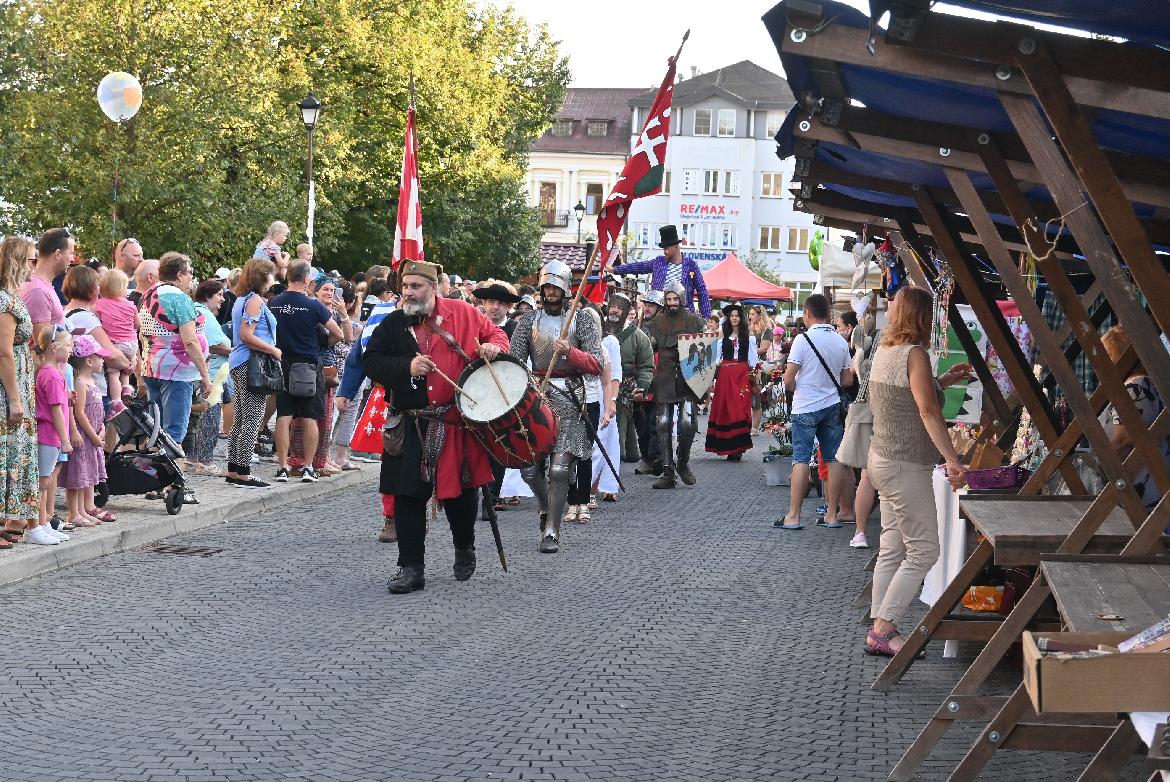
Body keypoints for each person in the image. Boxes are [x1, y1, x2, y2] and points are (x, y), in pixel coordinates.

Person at [361, 260, 508, 592]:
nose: (409, 293)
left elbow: (497, 333)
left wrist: (494, 346)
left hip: (455, 423)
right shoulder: (394, 324)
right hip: (411, 423)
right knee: (408, 498)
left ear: (434, 287)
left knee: (460, 496)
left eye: (416, 286)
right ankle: (411, 568)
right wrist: (406, 367)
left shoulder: (464, 313)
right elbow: (370, 360)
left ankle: (464, 547)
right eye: (405, 287)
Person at [866, 286, 967, 657]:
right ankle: (884, 628)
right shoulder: (915, 354)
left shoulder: (886, 349)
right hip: (905, 465)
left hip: (883, 459)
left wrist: (945, 381)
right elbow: (927, 412)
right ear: (924, 317)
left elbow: (907, 398)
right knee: (924, 550)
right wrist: (953, 459)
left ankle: (879, 621)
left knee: (892, 546)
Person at [508, 260, 603, 553]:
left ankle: (552, 529)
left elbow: (596, 364)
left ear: (564, 289)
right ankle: (546, 508)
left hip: (570, 397)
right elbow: (513, 361)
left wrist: (571, 353)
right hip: (536, 397)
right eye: (546, 287)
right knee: (528, 470)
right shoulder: (528, 322)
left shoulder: (582, 320)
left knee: (561, 469)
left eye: (555, 288)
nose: (550, 293)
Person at [773, 293, 853, 530]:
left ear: (807, 313)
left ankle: (794, 516)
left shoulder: (802, 340)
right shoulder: (840, 341)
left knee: (800, 460)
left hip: (805, 407)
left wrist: (798, 387)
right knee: (833, 459)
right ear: (828, 314)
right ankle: (831, 515)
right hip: (831, 407)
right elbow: (847, 380)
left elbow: (788, 377)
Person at [336, 274, 398, 540]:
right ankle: (392, 518)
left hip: (433, 403)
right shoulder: (382, 316)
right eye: (405, 284)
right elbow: (360, 354)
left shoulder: (442, 314)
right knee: (393, 462)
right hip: (391, 398)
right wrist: (347, 390)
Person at [269, 260, 341, 483]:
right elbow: (338, 333)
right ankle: (308, 468)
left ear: (287, 276)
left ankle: (283, 467)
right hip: (309, 365)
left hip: (281, 362)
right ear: (307, 279)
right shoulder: (313, 305)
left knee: (284, 415)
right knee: (310, 416)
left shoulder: (273, 302)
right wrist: (321, 345)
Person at [139, 252, 212, 449]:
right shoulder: (178, 298)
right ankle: (172, 478)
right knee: (173, 434)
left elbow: (142, 334)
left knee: (157, 430)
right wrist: (205, 375)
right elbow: (190, 341)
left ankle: (155, 477)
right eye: (190, 273)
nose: (191, 278)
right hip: (177, 373)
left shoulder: (148, 293)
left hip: (152, 367)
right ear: (179, 275)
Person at [644, 282, 706, 489]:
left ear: (681, 299)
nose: (671, 303)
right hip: (664, 375)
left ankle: (683, 463)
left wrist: (704, 384)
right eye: (668, 299)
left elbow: (703, 352)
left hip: (687, 377)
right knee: (662, 423)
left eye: (675, 299)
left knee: (688, 424)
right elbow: (648, 349)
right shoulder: (656, 323)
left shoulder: (694, 321)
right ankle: (667, 470)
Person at [225, 258, 280, 488]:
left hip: (240, 360)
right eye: (271, 275)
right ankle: (244, 471)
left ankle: (234, 469)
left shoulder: (241, 299)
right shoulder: (255, 300)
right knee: (253, 417)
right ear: (262, 277)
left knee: (241, 417)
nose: (273, 280)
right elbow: (247, 335)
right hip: (251, 361)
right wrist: (273, 350)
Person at [0, 237, 40, 549]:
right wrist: (14, 398)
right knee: (6, 454)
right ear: (15, 261)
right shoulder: (4, 301)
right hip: (7, 391)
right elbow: (3, 353)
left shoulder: (12, 298)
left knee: (15, 454)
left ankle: (11, 518)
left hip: (19, 387)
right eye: (30, 260)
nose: (33, 266)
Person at [61, 265, 131, 413]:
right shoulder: (86, 318)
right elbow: (110, 353)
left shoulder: (65, 312)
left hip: (76, 385)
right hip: (93, 388)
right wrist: (127, 364)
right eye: (97, 285)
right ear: (91, 288)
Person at [61, 335, 112, 527]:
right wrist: (94, 435)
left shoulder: (93, 382)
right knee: (78, 474)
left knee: (87, 474)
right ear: (89, 361)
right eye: (99, 357)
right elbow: (79, 413)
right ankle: (74, 512)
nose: (103, 360)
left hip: (94, 436)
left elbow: (97, 412)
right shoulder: (81, 383)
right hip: (85, 436)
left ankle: (82, 509)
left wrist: (102, 429)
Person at [611, 225, 712, 317]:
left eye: (666, 248)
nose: (664, 251)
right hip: (659, 314)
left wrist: (706, 317)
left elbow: (702, 291)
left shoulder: (691, 265)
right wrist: (615, 269)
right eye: (663, 248)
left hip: (684, 316)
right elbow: (640, 266)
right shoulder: (659, 262)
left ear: (676, 247)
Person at [31, 326, 73, 545]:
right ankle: (35, 526)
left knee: (45, 483)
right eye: (68, 346)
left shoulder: (49, 373)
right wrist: (65, 439)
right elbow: (56, 410)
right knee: (42, 483)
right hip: (48, 435)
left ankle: (43, 523)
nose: (71, 350)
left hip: (50, 435)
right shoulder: (52, 375)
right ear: (55, 348)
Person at [189, 279, 232, 476]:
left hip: (213, 373)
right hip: (211, 375)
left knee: (203, 419)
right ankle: (204, 461)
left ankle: (195, 459)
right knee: (209, 420)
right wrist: (235, 351)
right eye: (220, 295)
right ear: (207, 296)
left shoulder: (202, 312)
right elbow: (213, 345)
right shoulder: (203, 313)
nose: (223, 299)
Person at [705, 303, 757, 461]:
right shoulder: (722, 335)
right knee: (726, 409)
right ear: (728, 318)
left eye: (737, 315)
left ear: (741, 318)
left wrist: (755, 376)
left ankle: (738, 446)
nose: (734, 318)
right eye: (732, 316)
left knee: (741, 408)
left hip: (741, 374)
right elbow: (715, 358)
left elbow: (753, 359)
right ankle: (728, 447)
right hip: (726, 375)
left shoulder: (748, 336)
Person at [609, 292, 653, 464]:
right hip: (598, 388)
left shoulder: (637, 336)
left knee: (618, 430)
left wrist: (642, 386)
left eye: (620, 308)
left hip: (624, 390)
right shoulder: (598, 331)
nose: (615, 311)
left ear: (627, 311)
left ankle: (613, 467)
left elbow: (646, 366)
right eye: (612, 306)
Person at [95, 269, 139, 408]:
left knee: (113, 374)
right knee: (126, 367)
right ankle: (126, 386)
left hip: (115, 344)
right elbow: (138, 324)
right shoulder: (131, 305)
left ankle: (116, 401)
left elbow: (98, 321)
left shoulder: (100, 304)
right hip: (131, 343)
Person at [591, 312, 622, 505]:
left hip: (603, 399)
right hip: (582, 399)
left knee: (602, 445)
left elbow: (614, 375)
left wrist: (612, 401)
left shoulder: (609, 343)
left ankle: (594, 490)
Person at [21, 228, 71, 346]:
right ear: (58, 254)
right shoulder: (38, 290)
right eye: (71, 253)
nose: (72, 258)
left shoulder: (42, 285)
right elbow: (43, 347)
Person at [634, 290, 665, 475]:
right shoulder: (638, 327)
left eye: (651, 305)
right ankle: (646, 459)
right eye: (645, 304)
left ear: (660, 308)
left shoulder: (665, 328)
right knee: (642, 425)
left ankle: (658, 458)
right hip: (640, 380)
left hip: (659, 381)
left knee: (657, 423)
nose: (647, 308)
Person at [748, 305, 775, 435]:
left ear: (760, 315)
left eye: (753, 314)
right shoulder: (747, 328)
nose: (750, 316)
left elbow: (764, 348)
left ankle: (754, 428)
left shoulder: (767, 330)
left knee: (756, 398)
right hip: (746, 365)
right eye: (750, 314)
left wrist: (748, 352)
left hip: (758, 366)